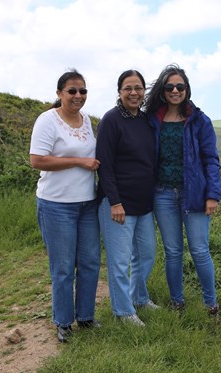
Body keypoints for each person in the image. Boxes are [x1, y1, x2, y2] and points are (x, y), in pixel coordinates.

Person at [29, 69, 101, 343]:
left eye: (82, 91)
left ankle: (85, 317)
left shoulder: (86, 122)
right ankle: (63, 322)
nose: (78, 96)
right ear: (59, 93)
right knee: (62, 267)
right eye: (72, 91)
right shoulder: (47, 121)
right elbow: (37, 160)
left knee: (91, 262)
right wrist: (79, 162)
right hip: (56, 205)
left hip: (87, 204)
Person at [145, 64, 221, 315]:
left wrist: (213, 195)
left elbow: (211, 159)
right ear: (163, 90)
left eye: (180, 86)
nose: (175, 90)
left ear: (187, 89)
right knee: (173, 251)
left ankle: (210, 304)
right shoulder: (153, 119)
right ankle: (177, 302)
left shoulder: (199, 120)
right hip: (163, 193)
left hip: (195, 194)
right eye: (170, 87)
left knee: (200, 250)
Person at [96, 69, 159, 327]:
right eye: (128, 88)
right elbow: (105, 165)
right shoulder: (111, 120)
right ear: (119, 92)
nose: (134, 93)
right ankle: (123, 312)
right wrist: (114, 201)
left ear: (144, 92)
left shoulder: (146, 120)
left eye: (138, 88)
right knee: (120, 261)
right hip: (117, 204)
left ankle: (140, 298)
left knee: (146, 255)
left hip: (143, 203)